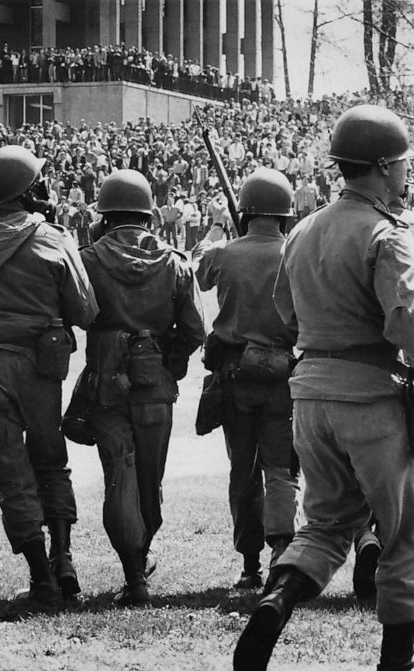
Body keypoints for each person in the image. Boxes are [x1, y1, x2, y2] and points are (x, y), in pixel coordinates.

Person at [234, 104, 414, 671]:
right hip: (373, 399)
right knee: (404, 534)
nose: (406, 174)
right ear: (384, 166)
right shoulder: (387, 235)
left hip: (309, 396)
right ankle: (396, 661)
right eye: (403, 164)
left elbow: (285, 314)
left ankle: (277, 600)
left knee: (328, 525)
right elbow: (404, 322)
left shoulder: (303, 229)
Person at [0, 145, 98, 603]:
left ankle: (39, 577)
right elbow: (86, 311)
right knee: (51, 462)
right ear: (30, 190)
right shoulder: (54, 239)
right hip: (40, 368)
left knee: (11, 474)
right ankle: (63, 560)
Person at [74, 169, 205, 606]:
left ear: (105, 215)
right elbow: (194, 329)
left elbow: (79, 314)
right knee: (150, 480)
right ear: (149, 214)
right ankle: (140, 564)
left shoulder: (88, 259)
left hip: (106, 383)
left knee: (119, 475)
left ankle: (134, 576)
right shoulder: (175, 262)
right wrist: (164, 357)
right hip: (155, 388)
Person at [193, 168, 298, 591]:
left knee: (243, 470)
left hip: (236, 373)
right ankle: (281, 551)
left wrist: (218, 226)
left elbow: (199, 270)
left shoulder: (225, 252)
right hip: (281, 373)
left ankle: (249, 563)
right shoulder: (294, 252)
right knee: (280, 469)